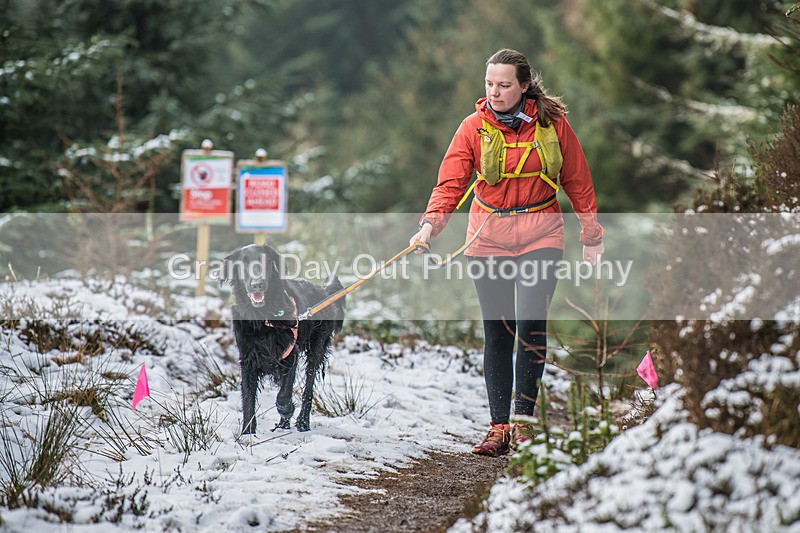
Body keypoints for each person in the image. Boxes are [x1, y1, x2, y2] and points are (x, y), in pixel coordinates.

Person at [409, 49, 604, 456]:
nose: (494, 93)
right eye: (489, 84)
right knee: (500, 332)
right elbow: (450, 184)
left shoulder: (554, 125)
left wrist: (591, 235)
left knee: (531, 327)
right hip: (487, 237)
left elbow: (578, 181)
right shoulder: (472, 128)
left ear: (524, 86)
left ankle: (525, 423)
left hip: (541, 235)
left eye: (503, 85)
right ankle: (499, 428)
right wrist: (429, 226)